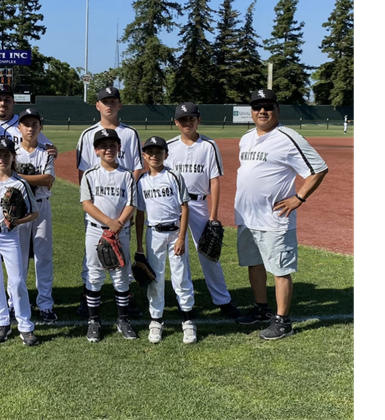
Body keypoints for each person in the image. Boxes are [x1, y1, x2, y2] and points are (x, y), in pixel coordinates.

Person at [234, 89, 328, 340]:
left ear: (277, 109)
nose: (262, 111)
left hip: (274, 219)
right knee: (254, 264)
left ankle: (283, 321)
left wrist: (299, 198)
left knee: (279, 269)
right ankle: (261, 309)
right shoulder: (246, 138)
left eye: (267, 106)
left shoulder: (288, 137)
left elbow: (318, 169)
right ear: (251, 111)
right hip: (247, 217)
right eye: (257, 107)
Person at [166, 102, 241, 319]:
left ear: (199, 120)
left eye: (191, 118)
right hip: (175, 205)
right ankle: (184, 301)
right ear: (176, 123)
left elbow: (214, 181)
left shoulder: (208, 145)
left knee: (209, 253)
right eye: (182, 119)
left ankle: (223, 300)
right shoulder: (170, 146)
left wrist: (214, 216)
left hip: (199, 204)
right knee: (178, 254)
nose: (187, 123)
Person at [75, 86, 144, 319]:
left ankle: (126, 297)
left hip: (123, 206)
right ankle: (88, 295)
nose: (109, 105)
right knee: (92, 256)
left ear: (120, 105)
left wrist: (125, 209)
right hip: (97, 208)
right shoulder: (87, 134)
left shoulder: (130, 134)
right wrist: (93, 207)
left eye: (113, 101)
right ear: (97, 105)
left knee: (121, 253)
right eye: (104, 101)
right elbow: (83, 173)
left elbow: (137, 169)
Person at [0, 138, 41, 346]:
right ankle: (1, 323)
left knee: (17, 281)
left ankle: (25, 325)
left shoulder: (19, 183)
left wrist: (16, 221)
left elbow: (35, 212)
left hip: (10, 236)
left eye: (6, 154)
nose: (2, 158)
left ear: (13, 157)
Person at [135, 136, 197, 344]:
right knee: (155, 278)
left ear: (166, 154)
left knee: (181, 277)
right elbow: (140, 214)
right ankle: (156, 320)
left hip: (175, 232)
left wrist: (181, 237)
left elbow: (184, 207)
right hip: (154, 234)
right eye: (150, 152)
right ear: (144, 156)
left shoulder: (174, 176)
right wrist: (139, 244)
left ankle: (188, 320)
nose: (154, 155)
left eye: (159, 152)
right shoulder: (142, 181)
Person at [80, 129, 138, 343]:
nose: (108, 149)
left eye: (112, 145)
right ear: (96, 150)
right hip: (96, 229)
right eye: (103, 146)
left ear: (119, 148)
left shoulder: (127, 175)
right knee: (94, 275)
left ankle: (123, 319)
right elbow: (87, 204)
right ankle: (93, 321)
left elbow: (131, 203)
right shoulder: (90, 174)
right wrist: (110, 224)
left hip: (120, 231)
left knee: (121, 274)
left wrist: (118, 224)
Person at [14, 108, 58, 323]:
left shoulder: (45, 152)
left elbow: (48, 180)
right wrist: (33, 178)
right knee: (17, 258)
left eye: (34, 124)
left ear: (41, 128)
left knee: (43, 257)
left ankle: (45, 304)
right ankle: (16, 302)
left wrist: (18, 177)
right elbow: (3, 179)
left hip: (41, 206)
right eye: (26, 124)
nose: (30, 128)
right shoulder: (11, 153)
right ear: (19, 127)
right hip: (18, 208)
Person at [0, 84, 58, 164]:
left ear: (13, 102)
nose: (2, 103)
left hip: (17, 178)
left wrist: (54, 150)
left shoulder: (25, 125)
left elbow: (48, 147)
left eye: (7, 100)